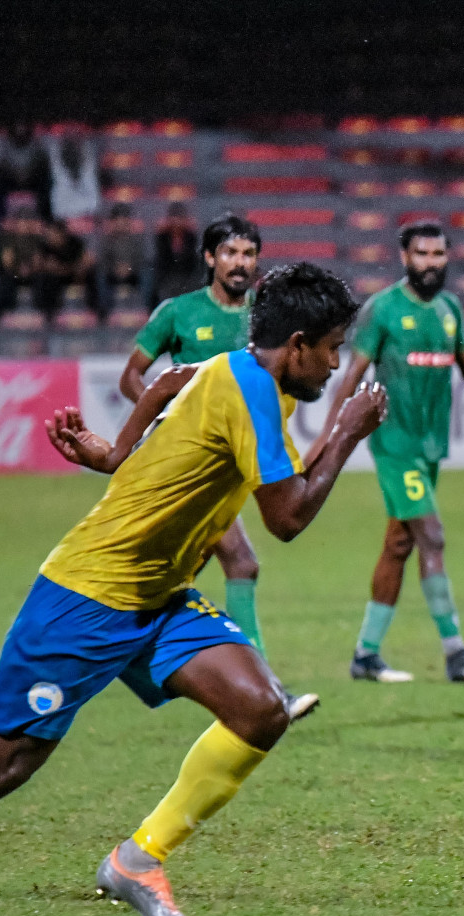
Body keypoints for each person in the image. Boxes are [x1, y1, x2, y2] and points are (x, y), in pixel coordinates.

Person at [0, 263, 384, 916]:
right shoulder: (256, 392)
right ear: (296, 345)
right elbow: (287, 517)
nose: (336, 363)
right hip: (90, 592)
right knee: (11, 760)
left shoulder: (237, 370)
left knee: (260, 708)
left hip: (159, 599)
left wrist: (117, 454)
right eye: (330, 347)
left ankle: (136, 860)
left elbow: (171, 383)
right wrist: (349, 432)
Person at [114, 216, 317, 718]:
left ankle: (122, 653)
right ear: (209, 258)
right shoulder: (179, 313)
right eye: (230, 253)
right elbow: (131, 377)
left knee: (173, 575)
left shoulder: (264, 322)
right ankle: (267, 690)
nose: (240, 263)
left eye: (249, 254)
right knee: (241, 563)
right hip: (191, 471)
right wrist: (166, 423)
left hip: (235, 466)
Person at [320, 219, 464, 684]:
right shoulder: (383, 309)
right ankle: (456, 652)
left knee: (399, 544)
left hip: (431, 445)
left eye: (439, 254)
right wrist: (330, 436)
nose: (431, 263)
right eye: (422, 254)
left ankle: (365, 654)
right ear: (404, 257)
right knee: (431, 536)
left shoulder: (450, 308)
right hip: (394, 443)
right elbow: (352, 374)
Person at [32, 217, 93, 321]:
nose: (49, 236)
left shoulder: (75, 243)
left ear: (61, 234)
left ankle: (95, 310)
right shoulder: (44, 246)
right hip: (54, 277)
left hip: (74, 275)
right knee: (44, 278)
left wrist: (64, 268)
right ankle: (48, 312)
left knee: (92, 274)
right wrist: (49, 267)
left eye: (53, 233)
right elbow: (37, 265)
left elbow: (86, 262)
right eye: (49, 233)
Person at [95, 201, 146, 317]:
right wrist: (115, 269)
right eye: (118, 219)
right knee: (100, 275)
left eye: (124, 219)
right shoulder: (106, 240)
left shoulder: (136, 239)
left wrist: (129, 268)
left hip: (133, 273)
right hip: (112, 274)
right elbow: (103, 261)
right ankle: (104, 312)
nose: (121, 223)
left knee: (147, 273)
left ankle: (145, 308)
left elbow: (141, 259)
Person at [151, 202, 199, 305]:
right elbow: (162, 256)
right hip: (167, 273)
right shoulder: (163, 236)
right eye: (174, 218)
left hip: (186, 272)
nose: (177, 222)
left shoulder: (190, 236)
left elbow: (191, 257)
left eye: (179, 218)